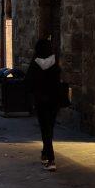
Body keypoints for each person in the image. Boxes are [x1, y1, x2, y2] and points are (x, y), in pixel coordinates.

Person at [25, 38, 62, 171]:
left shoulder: (35, 63)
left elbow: (28, 81)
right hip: (54, 101)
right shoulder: (54, 62)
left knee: (45, 129)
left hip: (41, 101)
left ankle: (50, 159)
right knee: (49, 128)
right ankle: (45, 153)